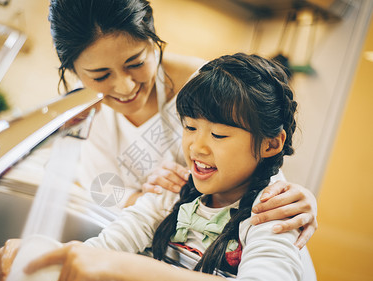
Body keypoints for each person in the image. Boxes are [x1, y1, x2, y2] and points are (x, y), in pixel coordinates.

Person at [21, 53, 317, 281]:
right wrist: (42, 258)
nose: (197, 146)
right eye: (189, 128)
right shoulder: (177, 189)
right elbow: (112, 241)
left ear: (271, 144)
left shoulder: (272, 214)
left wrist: (124, 269)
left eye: (218, 134)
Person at [47, 0, 317, 246]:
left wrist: (292, 198)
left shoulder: (203, 86)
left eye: (136, 63)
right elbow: (102, 188)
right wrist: (149, 199)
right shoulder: (86, 116)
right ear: (74, 72)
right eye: (101, 75)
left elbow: (260, 160)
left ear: (153, 41)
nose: (125, 85)